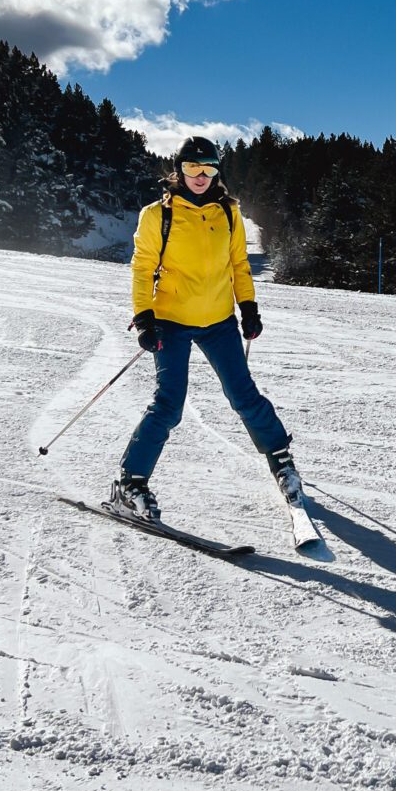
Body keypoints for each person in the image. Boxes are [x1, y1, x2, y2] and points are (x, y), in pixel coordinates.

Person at [108, 136, 301, 521]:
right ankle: (130, 482)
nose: (201, 176)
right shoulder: (156, 215)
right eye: (193, 168)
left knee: (244, 395)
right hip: (171, 322)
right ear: (179, 170)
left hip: (218, 321)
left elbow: (239, 266)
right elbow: (143, 268)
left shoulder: (228, 213)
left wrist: (248, 307)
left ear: (217, 171)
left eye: (209, 168)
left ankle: (281, 459)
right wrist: (144, 316)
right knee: (168, 404)